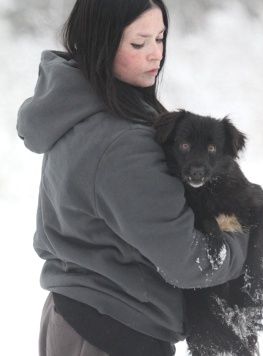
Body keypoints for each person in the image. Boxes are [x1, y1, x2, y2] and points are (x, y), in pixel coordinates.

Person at [17, 0, 250, 355]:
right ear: (101, 42)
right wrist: (244, 236)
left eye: (160, 38)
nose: (156, 54)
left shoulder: (73, 107)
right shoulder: (124, 143)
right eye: (139, 43)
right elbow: (188, 262)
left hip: (71, 316)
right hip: (118, 331)